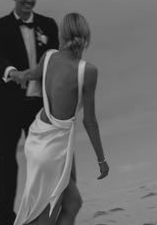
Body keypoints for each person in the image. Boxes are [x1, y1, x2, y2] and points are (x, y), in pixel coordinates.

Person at [12, 12, 109, 225]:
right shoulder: (87, 70)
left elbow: (28, 75)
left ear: (61, 34)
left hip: (37, 139)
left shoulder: (48, 57)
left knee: (71, 203)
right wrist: (101, 159)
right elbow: (89, 120)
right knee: (46, 216)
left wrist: (12, 73)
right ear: (87, 35)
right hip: (53, 150)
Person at [0, 0, 59, 225]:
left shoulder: (48, 25)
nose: (28, 0)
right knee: (6, 160)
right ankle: (5, 216)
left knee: (40, 160)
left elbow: (55, 59)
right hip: (7, 105)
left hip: (38, 106)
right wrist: (11, 72)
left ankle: (39, 211)